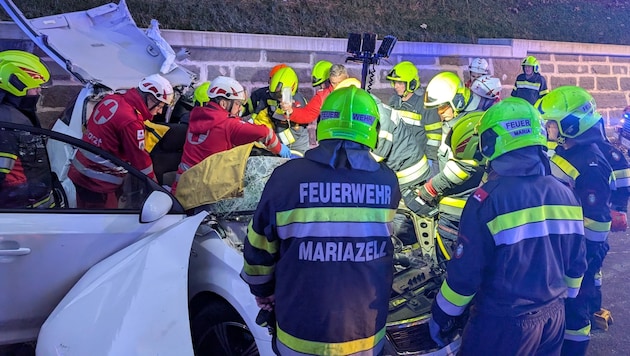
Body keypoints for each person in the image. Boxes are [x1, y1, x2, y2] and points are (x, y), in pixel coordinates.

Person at [241, 86, 401, 355]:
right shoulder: (387, 181)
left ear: (322, 124)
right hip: (365, 336)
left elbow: (258, 247)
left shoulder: (287, 178)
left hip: (299, 336)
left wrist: (263, 290)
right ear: (372, 128)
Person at [429, 97, 587, 355]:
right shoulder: (566, 193)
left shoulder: (487, 200)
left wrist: (442, 313)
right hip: (554, 318)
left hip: (504, 324)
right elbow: (577, 262)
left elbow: (466, 274)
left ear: (492, 142)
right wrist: (564, 299)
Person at [536, 86, 613, 356]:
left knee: (575, 308)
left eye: (551, 124)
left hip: (579, 251)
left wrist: (585, 257)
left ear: (571, 125)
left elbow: (597, 221)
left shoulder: (590, 164)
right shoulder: (570, 151)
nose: (547, 128)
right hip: (567, 248)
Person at [410, 71, 487, 261]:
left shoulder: (469, 126)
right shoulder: (456, 120)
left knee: (452, 265)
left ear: (458, 101)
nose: (439, 112)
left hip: (459, 211)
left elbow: (463, 168)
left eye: (443, 107)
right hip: (452, 206)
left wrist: (430, 189)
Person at [68, 73, 173, 208]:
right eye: (160, 106)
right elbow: (141, 162)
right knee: (103, 227)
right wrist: (157, 190)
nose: (160, 111)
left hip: (80, 172)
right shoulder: (131, 121)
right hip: (99, 183)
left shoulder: (112, 99)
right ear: (151, 98)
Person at [171, 76, 290, 195]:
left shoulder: (195, 117)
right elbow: (265, 133)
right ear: (224, 103)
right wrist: (280, 149)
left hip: (181, 189)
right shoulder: (228, 124)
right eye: (238, 104)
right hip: (205, 196)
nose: (239, 109)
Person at [0, 50, 56, 209]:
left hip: (27, 211)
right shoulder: (7, 122)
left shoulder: (12, 114)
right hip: (24, 215)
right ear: (16, 84)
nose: (39, 91)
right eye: (36, 87)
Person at [386, 61, 441, 175]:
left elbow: (434, 136)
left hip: (418, 162)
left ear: (411, 84)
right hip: (396, 160)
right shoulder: (394, 101)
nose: (396, 86)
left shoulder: (425, 104)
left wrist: (430, 160)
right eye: (395, 82)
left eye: (400, 83)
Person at [279, 64, 349, 148]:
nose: (336, 86)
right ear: (330, 80)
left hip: (351, 138)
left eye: (340, 82)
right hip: (329, 140)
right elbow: (307, 114)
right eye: (333, 83)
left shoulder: (356, 93)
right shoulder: (322, 96)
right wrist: (291, 111)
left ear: (347, 79)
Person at [254, 66, 309, 154]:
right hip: (278, 146)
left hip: (296, 149)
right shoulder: (276, 100)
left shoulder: (298, 104)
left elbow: (295, 133)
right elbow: (267, 119)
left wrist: (274, 141)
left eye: (280, 96)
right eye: (275, 95)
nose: (278, 99)